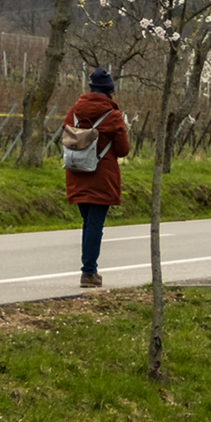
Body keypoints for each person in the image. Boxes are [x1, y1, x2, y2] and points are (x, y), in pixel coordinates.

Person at [63, 67, 130, 288]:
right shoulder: (113, 115)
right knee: (95, 225)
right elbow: (122, 150)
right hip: (102, 176)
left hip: (76, 173)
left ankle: (89, 270)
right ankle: (88, 272)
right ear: (110, 92)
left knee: (88, 223)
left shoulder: (73, 112)